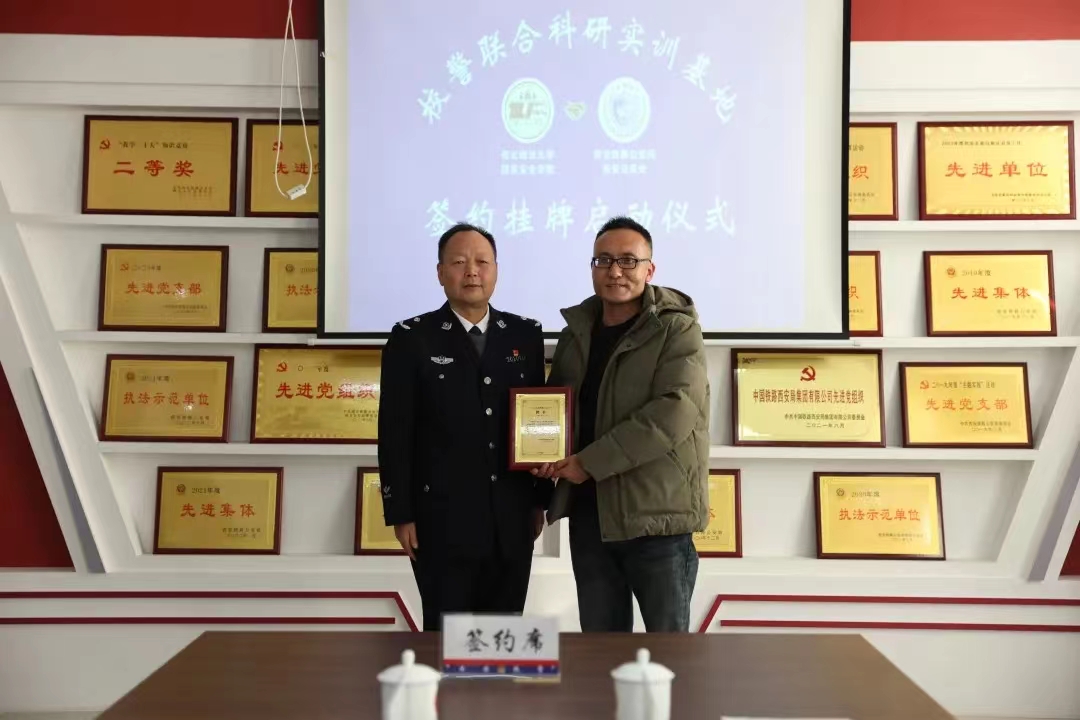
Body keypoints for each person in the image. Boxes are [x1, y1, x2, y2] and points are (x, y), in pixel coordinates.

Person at [534, 216, 710, 633]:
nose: (615, 271)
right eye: (604, 260)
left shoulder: (677, 329)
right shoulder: (576, 333)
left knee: (668, 653)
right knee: (601, 649)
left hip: (656, 520)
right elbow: (556, 408)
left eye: (628, 261)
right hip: (591, 517)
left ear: (650, 269)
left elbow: (673, 412)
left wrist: (588, 463)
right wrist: (540, 450)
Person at [378, 223, 550, 632]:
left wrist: (539, 501)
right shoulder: (412, 337)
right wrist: (401, 513)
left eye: (482, 262)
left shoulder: (525, 334)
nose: (472, 271)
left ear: (496, 270)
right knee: (447, 635)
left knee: (503, 635)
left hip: (511, 518)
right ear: (440, 272)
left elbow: (537, 424)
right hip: (440, 520)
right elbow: (395, 431)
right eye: (459, 262)